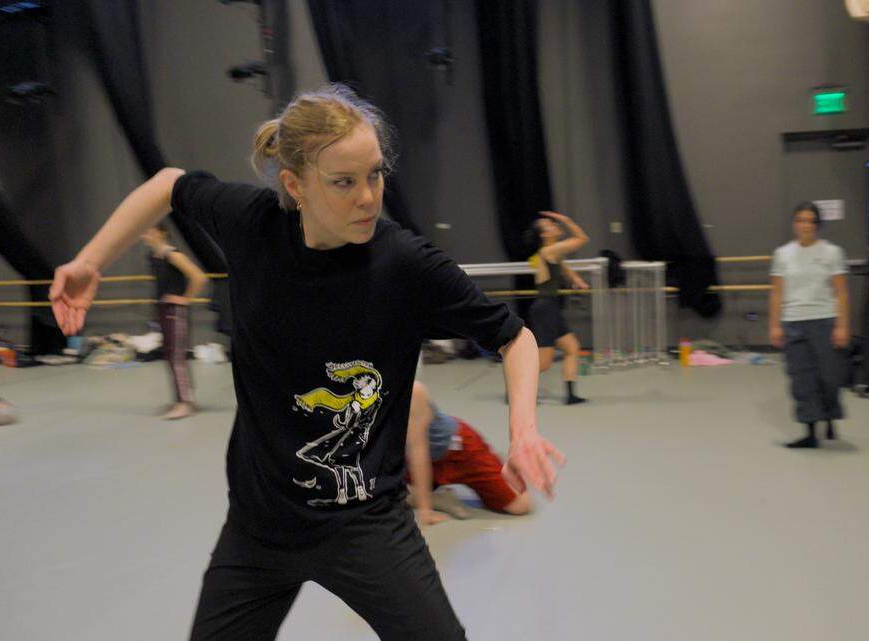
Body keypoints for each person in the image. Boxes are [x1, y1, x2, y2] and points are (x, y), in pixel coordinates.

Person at [48, 84, 564, 641]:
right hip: (259, 529)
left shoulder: (403, 263)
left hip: (365, 524)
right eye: (344, 182)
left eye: (375, 174)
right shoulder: (252, 226)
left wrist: (524, 428)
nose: (368, 197)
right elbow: (168, 185)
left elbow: (516, 338)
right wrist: (88, 261)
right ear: (296, 185)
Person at [769, 201, 850, 448]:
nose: (805, 225)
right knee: (802, 379)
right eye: (801, 220)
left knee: (829, 376)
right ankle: (810, 432)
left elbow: (841, 292)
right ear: (795, 224)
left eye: (810, 221)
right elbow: (776, 293)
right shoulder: (782, 254)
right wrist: (774, 325)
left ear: (817, 225)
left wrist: (842, 326)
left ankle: (829, 418)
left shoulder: (832, 253)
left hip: (824, 321)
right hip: (793, 322)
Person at [406, 381, 533, 526]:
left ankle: (496, 463)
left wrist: (424, 510)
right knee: (381, 496)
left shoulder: (413, 391)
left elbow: (418, 451)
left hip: (457, 450)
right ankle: (438, 498)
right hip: (416, 456)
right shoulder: (376, 393)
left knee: (520, 505)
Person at [142, 224, 208, 420]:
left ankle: (184, 403)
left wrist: (185, 299)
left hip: (175, 311)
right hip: (164, 310)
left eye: (149, 231)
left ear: (161, 233)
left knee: (176, 358)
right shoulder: (154, 256)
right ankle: (182, 398)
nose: (145, 235)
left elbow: (199, 277)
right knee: (170, 357)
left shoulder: (171, 254)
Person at [522, 211, 589, 405]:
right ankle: (516, 390)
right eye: (549, 224)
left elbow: (565, 269)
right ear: (544, 235)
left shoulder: (553, 253)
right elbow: (582, 238)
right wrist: (566, 220)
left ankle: (570, 395)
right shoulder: (548, 251)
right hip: (545, 309)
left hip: (550, 307)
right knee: (544, 362)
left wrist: (577, 281)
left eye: (553, 222)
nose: (554, 224)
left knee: (572, 348)